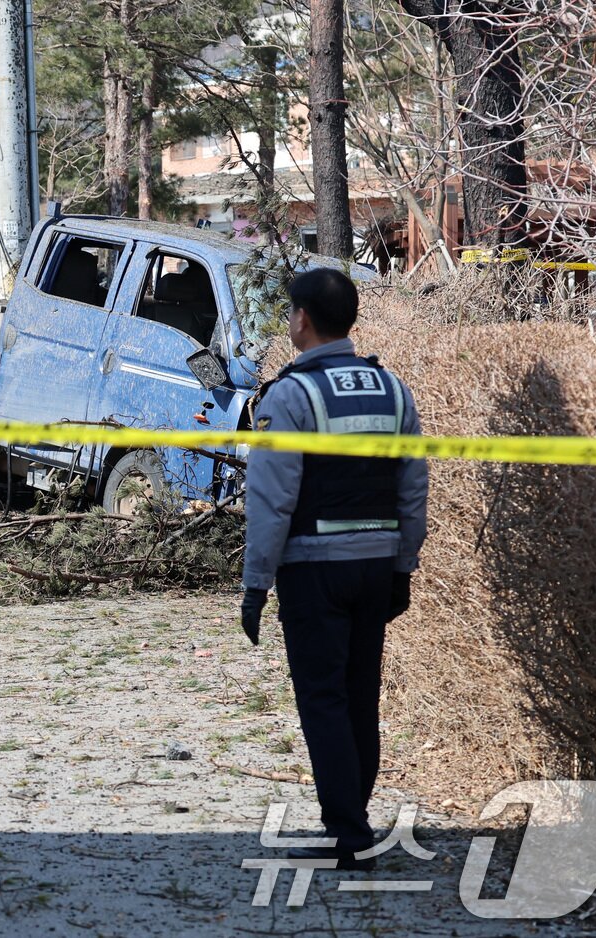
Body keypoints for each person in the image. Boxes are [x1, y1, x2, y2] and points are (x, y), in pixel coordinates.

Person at [240, 268, 428, 871]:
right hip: (376, 567)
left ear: (301, 319)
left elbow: (271, 500)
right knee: (359, 697)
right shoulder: (392, 389)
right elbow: (413, 486)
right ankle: (353, 822)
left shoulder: (290, 396)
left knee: (323, 700)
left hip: (314, 569)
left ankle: (348, 834)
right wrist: (404, 565)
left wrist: (255, 583)